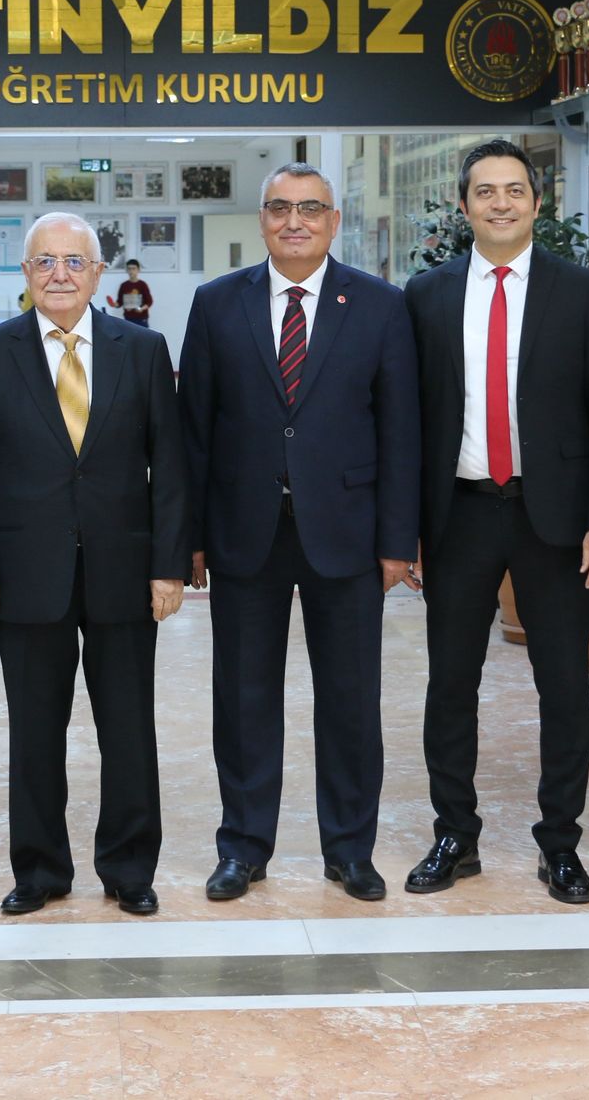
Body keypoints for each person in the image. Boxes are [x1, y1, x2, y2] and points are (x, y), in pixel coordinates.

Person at [179, 162, 420, 903]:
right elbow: (194, 430)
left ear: (333, 221)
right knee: (243, 700)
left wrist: (397, 541)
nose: (295, 221)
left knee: (350, 701)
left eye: (310, 209)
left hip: (347, 533)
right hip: (242, 531)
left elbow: (401, 430)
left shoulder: (379, 305)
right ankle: (242, 848)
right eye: (280, 208)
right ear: (262, 219)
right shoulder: (217, 303)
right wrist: (190, 537)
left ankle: (350, 851)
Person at [402, 139, 589, 904]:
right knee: (450, 685)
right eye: (485, 191)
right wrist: (407, 530)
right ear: (463, 205)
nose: (500, 203)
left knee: (563, 686)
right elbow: (407, 419)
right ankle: (454, 836)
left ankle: (560, 844)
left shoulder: (581, 291)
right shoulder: (426, 295)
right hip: (459, 515)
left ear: (536, 202)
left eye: (514, 190)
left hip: (554, 520)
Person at [0, 213, 189, 917]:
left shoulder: (142, 350)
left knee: (128, 728)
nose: (60, 274)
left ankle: (129, 867)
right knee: (34, 731)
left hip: (124, 570)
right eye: (45, 262)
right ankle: (39, 869)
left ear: (98, 273)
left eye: (74, 261)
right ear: (26, 273)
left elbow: (170, 467)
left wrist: (168, 566)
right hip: (26, 573)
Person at [115, 259, 153, 327]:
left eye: (133, 269)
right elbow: (119, 302)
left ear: (138, 270)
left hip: (142, 319)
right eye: (129, 269)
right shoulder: (124, 285)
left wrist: (141, 309)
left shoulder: (143, 285)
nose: (131, 271)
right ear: (127, 270)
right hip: (128, 319)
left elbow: (149, 302)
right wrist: (115, 304)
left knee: (143, 334)